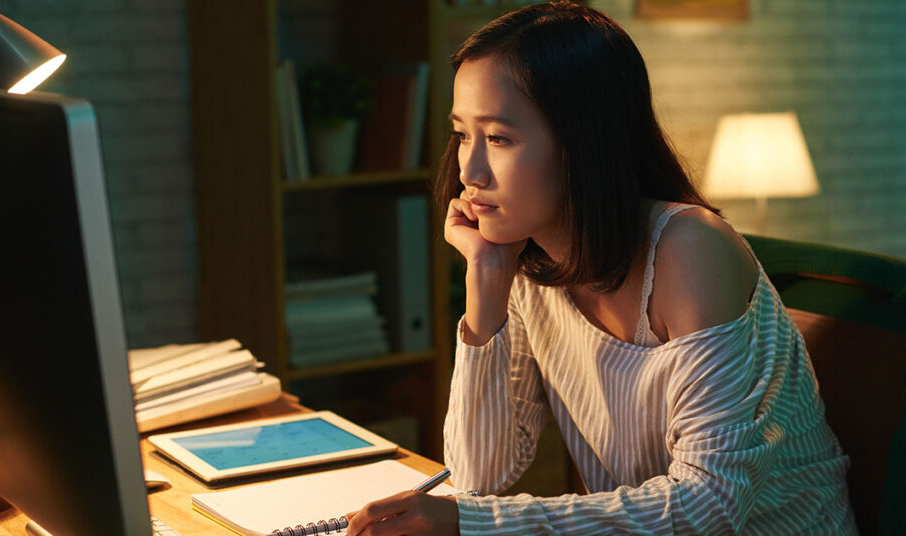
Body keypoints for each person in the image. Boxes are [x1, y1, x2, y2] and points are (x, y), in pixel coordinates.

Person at [346, 2, 856, 534]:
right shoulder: (527, 259)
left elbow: (710, 505)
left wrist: (473, 524)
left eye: (497, 138)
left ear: (580, 143)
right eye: (462, 134)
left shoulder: (690, 249)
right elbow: (479, 474)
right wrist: (487, 279)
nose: (468, 170)